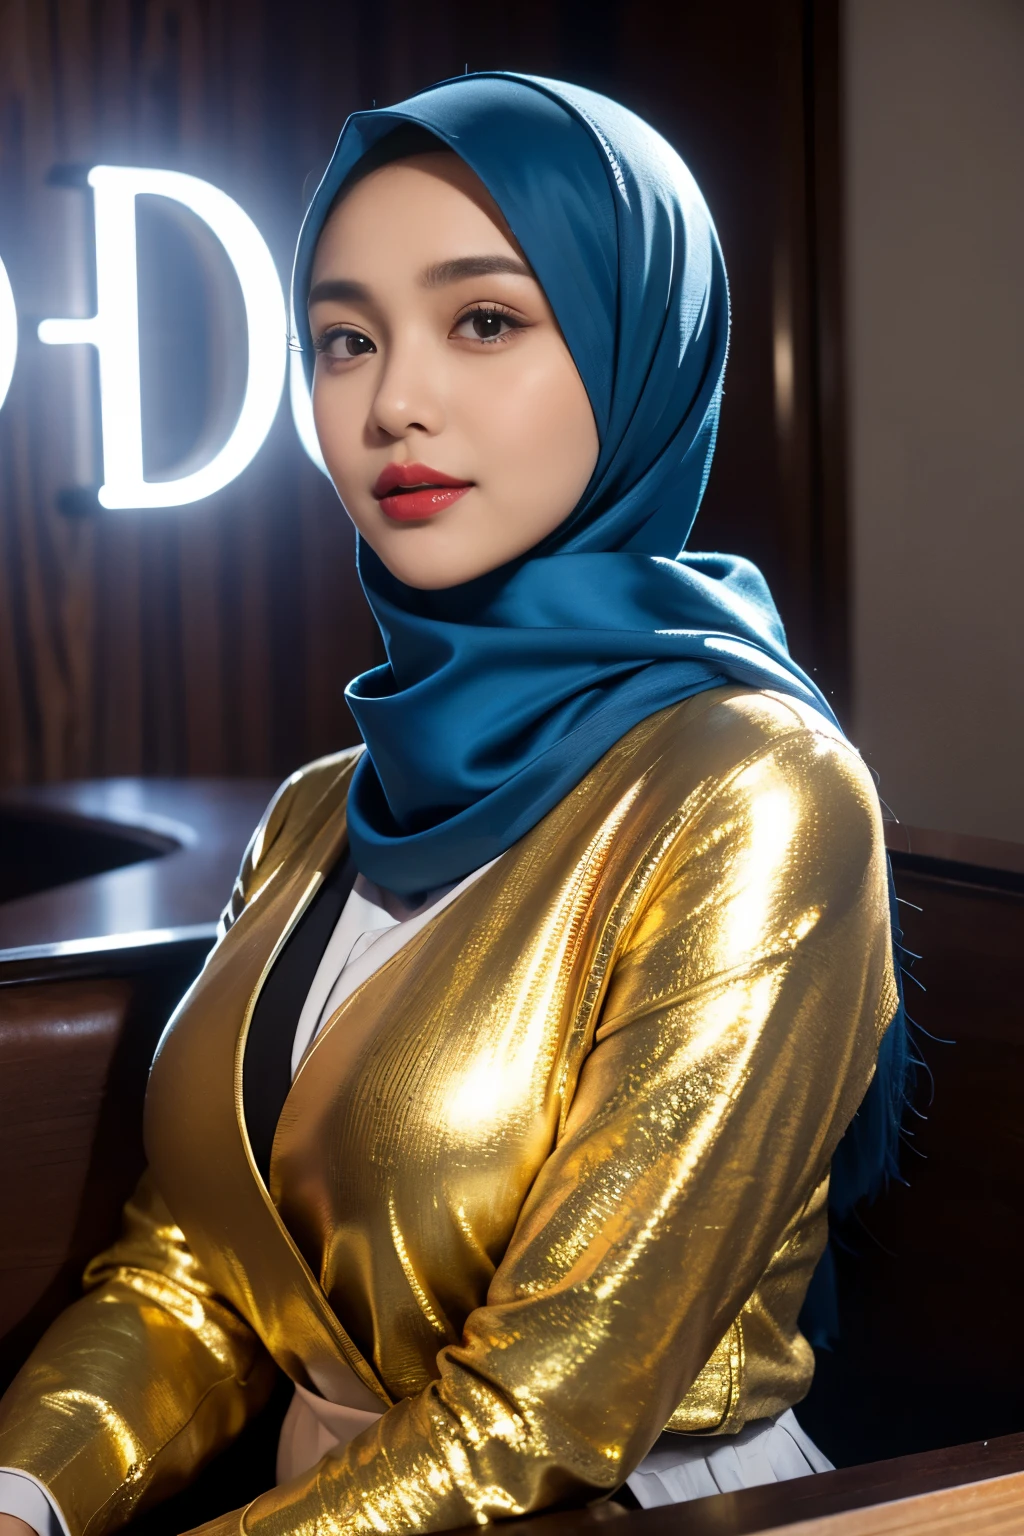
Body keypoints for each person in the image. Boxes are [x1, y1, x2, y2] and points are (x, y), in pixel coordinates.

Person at [0, 72, 905, 1536]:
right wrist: (22, 1493)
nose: (391, 401)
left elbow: (552, 1410)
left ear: (637, 350)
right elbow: (198, 1275)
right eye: (343, 339)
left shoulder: (756, 789)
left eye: (484, 320)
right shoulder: (319, 812)